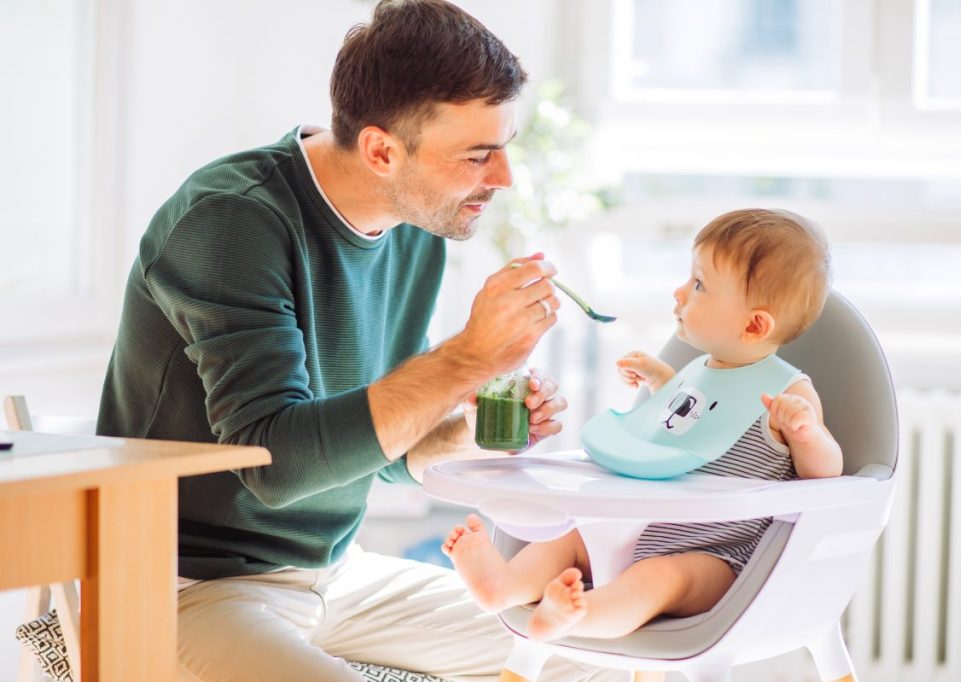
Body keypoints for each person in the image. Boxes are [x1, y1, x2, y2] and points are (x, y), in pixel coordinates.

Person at [97, 1, 620, 680]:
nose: (502, 179)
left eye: (504, 149)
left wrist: (474, 428)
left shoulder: (412, 230)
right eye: (476, 156)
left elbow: (385, 455)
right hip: (187, 585)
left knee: (590, 649)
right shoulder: (232, 222)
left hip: (336, 574)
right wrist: (466, 357)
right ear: (380, 150)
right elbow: (276, 467)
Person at [443, 208, 844, 642]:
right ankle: (502, 585)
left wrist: (807, 434)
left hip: (717, 555)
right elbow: (690, 422)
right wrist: (662, 383)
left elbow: (825, 475)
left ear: (753, 324)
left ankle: (579, 615)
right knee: (572, 540)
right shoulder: (699, 370)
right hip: (643, 524)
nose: (680, 291)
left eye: (699, 284)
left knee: (656, 580)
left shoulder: (789, 393)